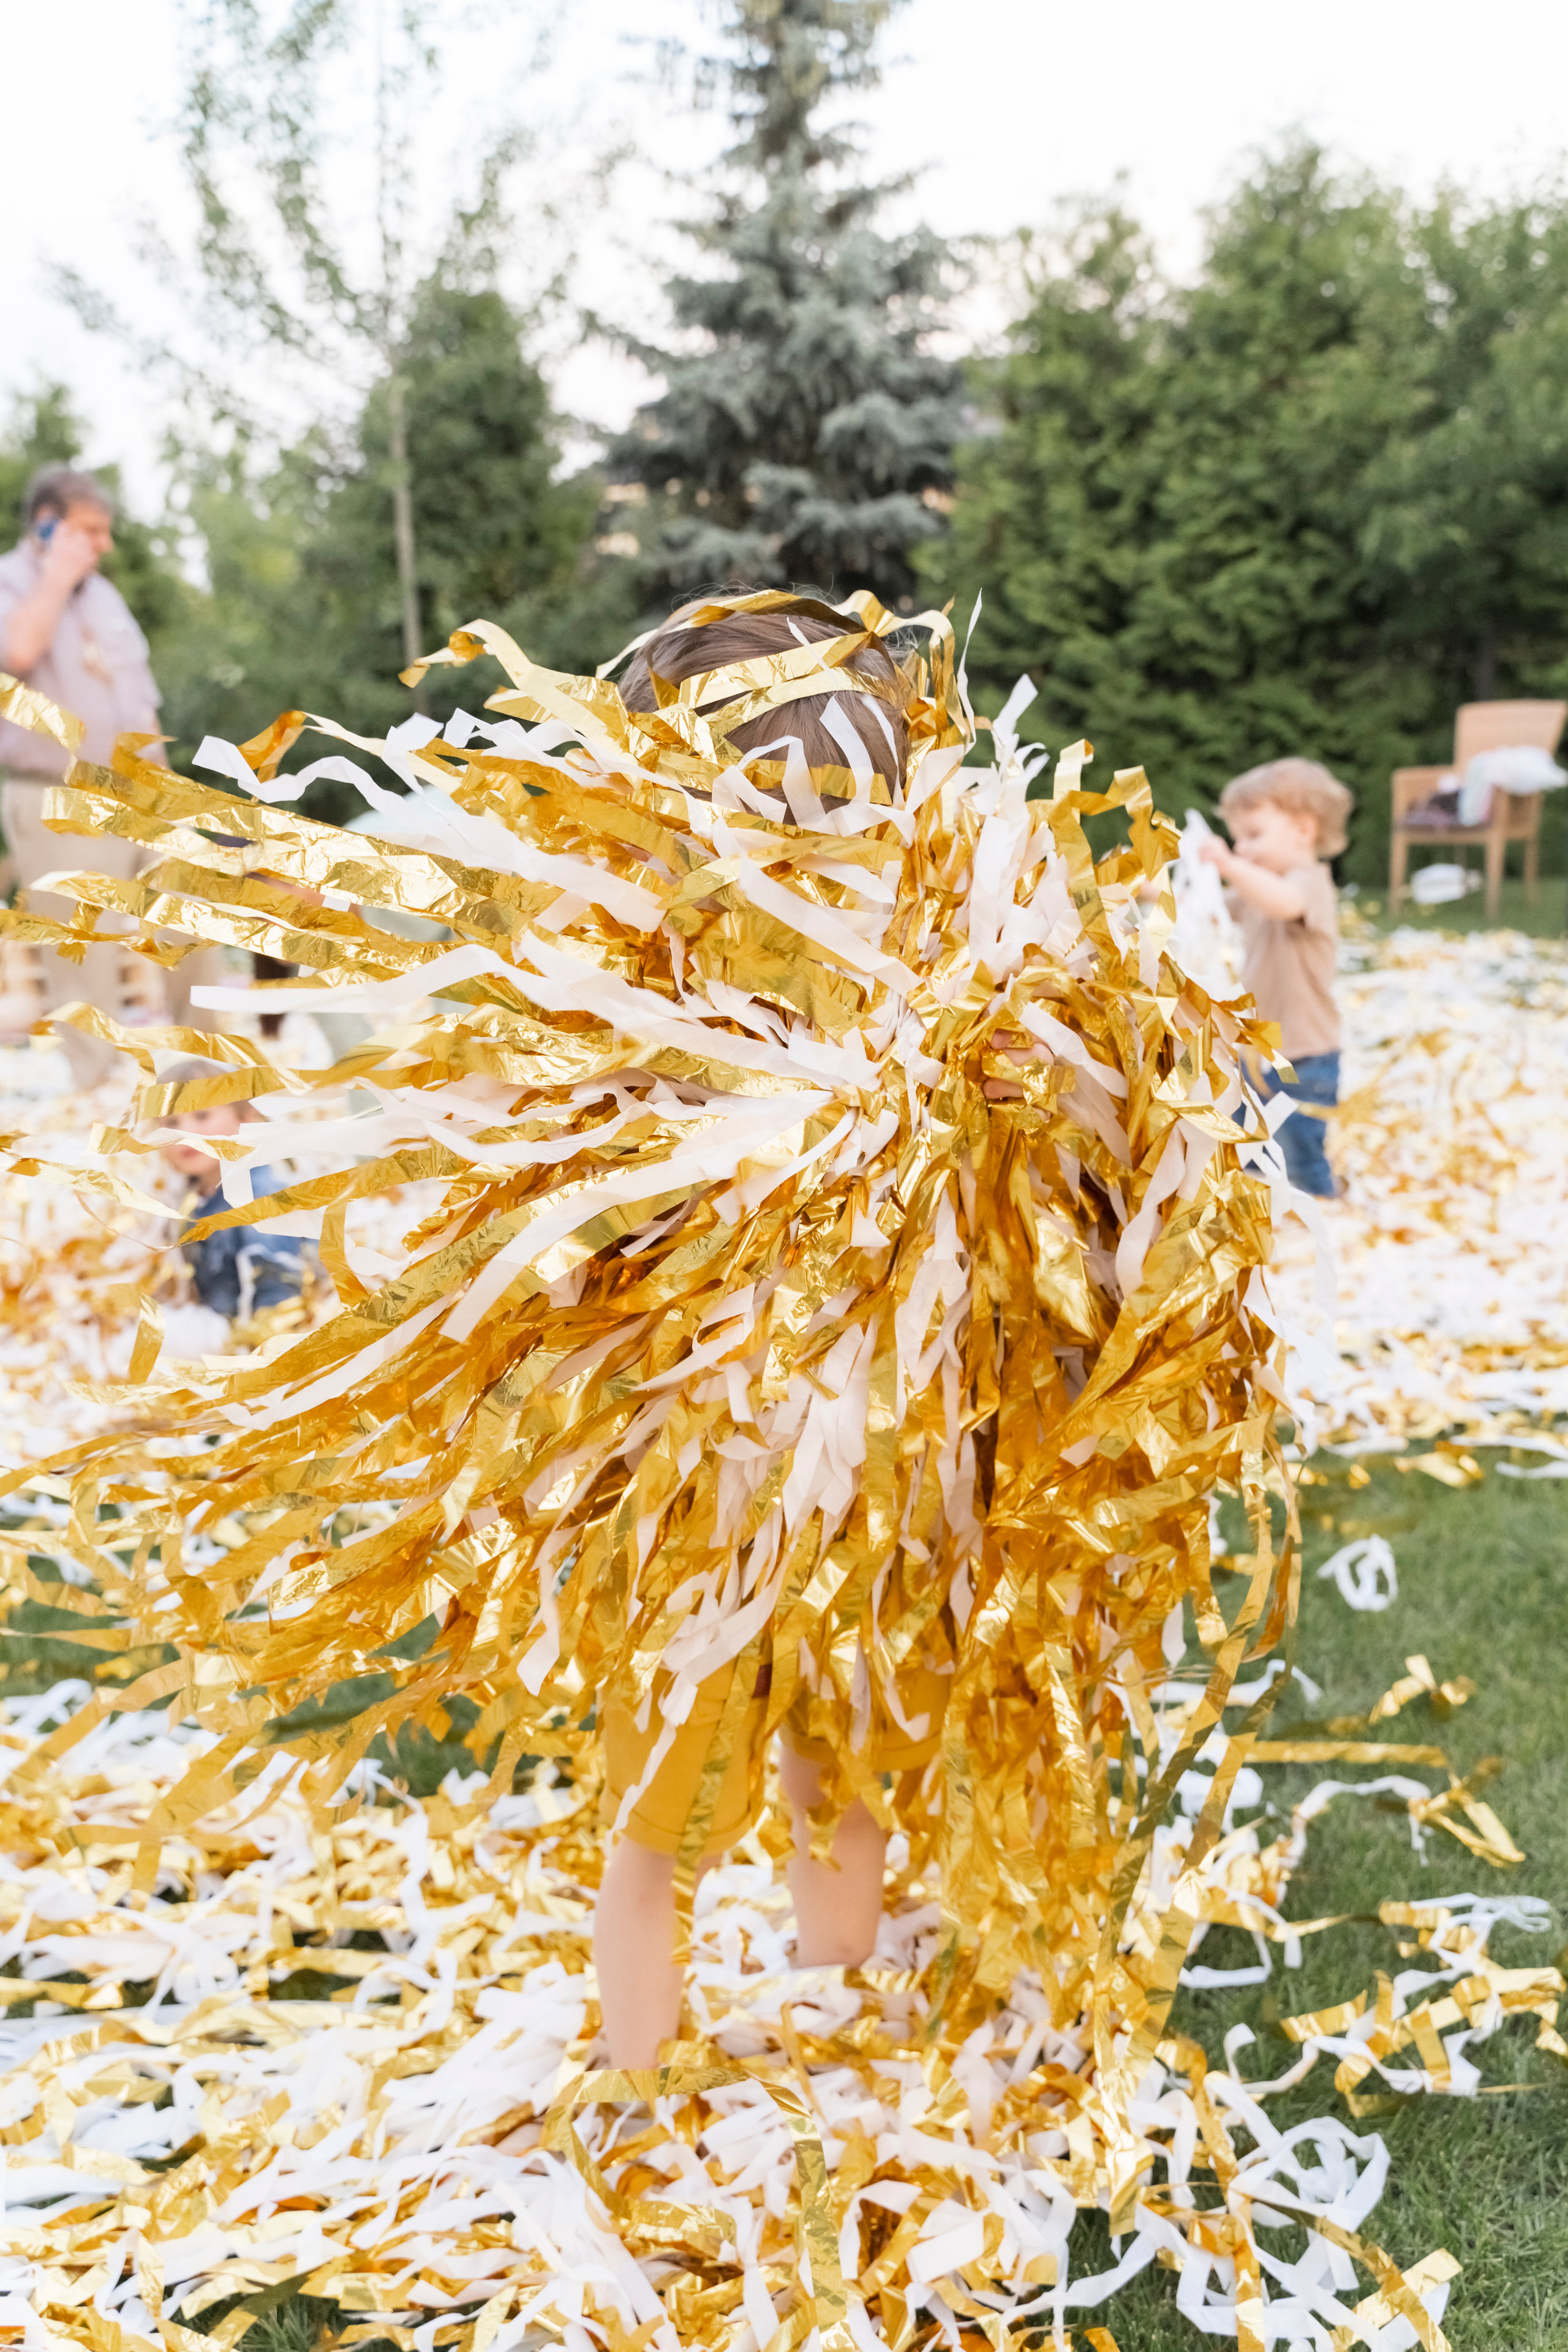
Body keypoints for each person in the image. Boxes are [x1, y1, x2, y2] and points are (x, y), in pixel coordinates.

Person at [0, 466, 221, 1087]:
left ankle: (214, 1075)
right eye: (89, 531)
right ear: (47, 524)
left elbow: (138, 701)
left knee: (192, 920)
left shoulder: (106, 597)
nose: (104, 545)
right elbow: (16, 653)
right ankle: (95, 1092)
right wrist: (55, 576)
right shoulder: (11, 584)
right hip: (56, 794)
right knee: (84, 950)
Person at [1200, 756, 1354, 1198]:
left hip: (1306, 1053)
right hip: (1259, 1052)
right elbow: (1210, 907)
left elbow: (1285, 903)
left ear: (1303, 831)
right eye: (1236, 838)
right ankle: (1266, 1209)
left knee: (1300, 1149)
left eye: (1253, 835)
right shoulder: (1256, 888)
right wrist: (1151, 888)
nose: (1242, 847)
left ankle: (1325, 1209)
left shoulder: (1308, 883)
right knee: (1248, 1144)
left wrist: (1231, 865)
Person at [155, 1058, 314, 1322]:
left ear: (246, 1118)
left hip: (253, 1334)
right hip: (216, 1319)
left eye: (202, 1115)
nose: (186, 1132)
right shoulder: (187, 1199)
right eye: (171, 1122)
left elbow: (278, 1291)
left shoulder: (261, 1197)